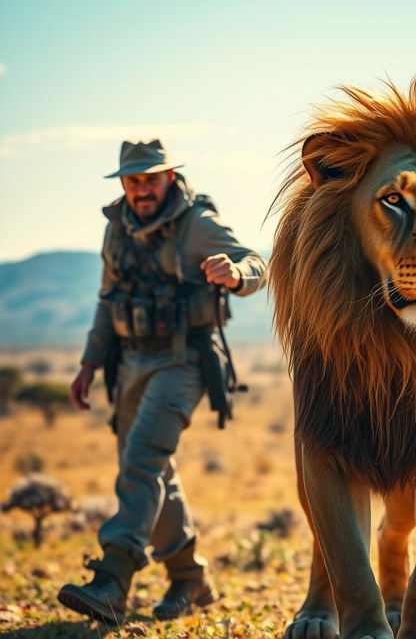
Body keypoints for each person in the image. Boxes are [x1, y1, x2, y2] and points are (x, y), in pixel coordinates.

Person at [57, 138, 267, 624]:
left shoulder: (197, 223)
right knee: (152, 470)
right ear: (124, 183)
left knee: (142, 459)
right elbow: (108, 299)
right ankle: (189, 579)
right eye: (134, 180)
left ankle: (113, 577)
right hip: (128, 362)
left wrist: (233, 272)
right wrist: (89, 364)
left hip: (184, 360)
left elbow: (258, 265)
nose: (142, 188)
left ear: (169, 177)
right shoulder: (118, 230)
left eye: (151, 178)